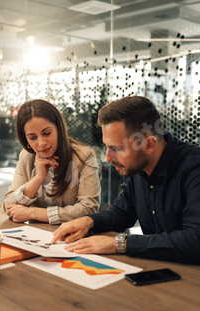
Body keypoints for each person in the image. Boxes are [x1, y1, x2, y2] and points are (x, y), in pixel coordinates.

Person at [51, 95, 200, 265]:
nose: (107, 157)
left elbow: (195, 240)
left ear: (149, 144)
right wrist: (89, 221)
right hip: (159, 270)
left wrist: (119, 244)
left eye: (116, 148)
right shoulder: (137, 166)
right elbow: (122, 214)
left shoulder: (194, 168)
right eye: (107, 146)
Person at [3, 99, 101, 224]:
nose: (42, 143)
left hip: (72, 236)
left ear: (59, 129)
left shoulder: (84, 156)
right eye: (32, 137)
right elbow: (7, 206)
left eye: (47, 133)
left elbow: (89, 209)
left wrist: (33, 213)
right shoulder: (26, 157)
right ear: (26, 139)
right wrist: (38, 178)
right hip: (34, 236)